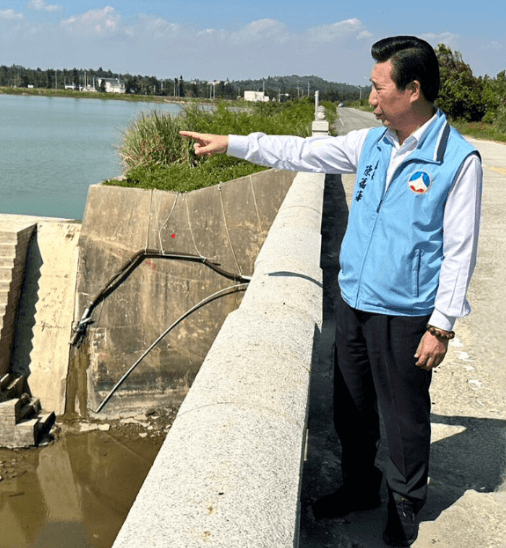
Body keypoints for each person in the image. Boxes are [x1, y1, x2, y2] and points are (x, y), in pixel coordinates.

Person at [181, 35, 482, 547]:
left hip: (407, 314)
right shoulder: (372, 144)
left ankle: (405, 505)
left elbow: (460, 250)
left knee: (405, 417)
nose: (369, 99)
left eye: (377, 87)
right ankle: (360, 488)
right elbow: (301, 151)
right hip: (355, 302)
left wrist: (442, 325)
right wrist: (232, 143)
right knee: (352, 408)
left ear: (411, 90)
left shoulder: (458, 160)